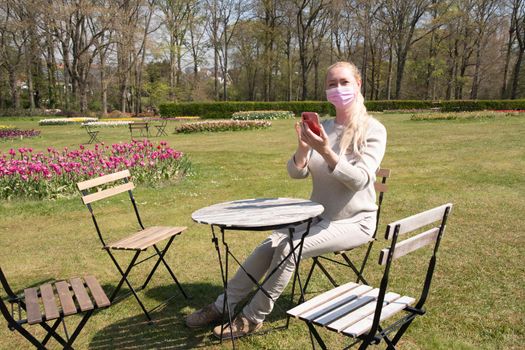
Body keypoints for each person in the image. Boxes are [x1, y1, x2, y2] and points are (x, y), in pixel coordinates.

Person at [185, 61, 387, 340]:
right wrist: (304, 148)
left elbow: (360, 180)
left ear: (358, 85)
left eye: (343, 82)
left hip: (355, 221)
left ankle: (252, 318)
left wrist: (327, 151)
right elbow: (296, 173)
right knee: (269, 244)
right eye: (331, 84)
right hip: (318, 217)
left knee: (289, 248)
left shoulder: (373, 130)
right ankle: (222, 306)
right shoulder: (324, 127)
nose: (337, 88)